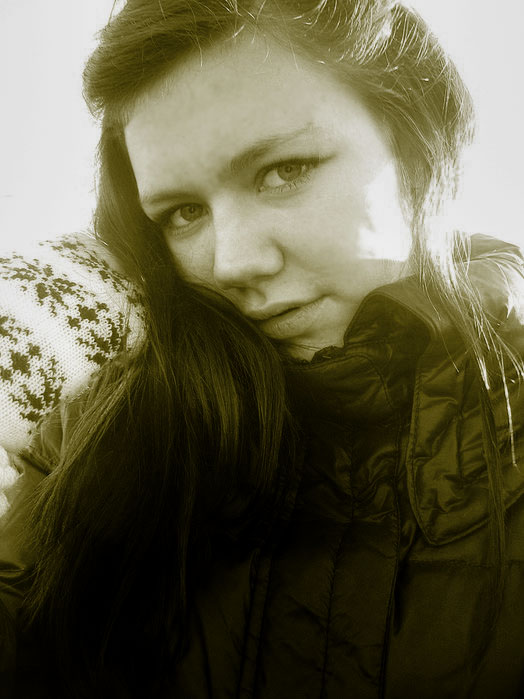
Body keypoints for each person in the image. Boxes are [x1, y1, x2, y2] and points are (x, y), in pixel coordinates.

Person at [1, 0, 524, 696]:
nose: (233, 262)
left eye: (285, 170)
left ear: (417, 145)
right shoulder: (94, 434)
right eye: (184, 213)